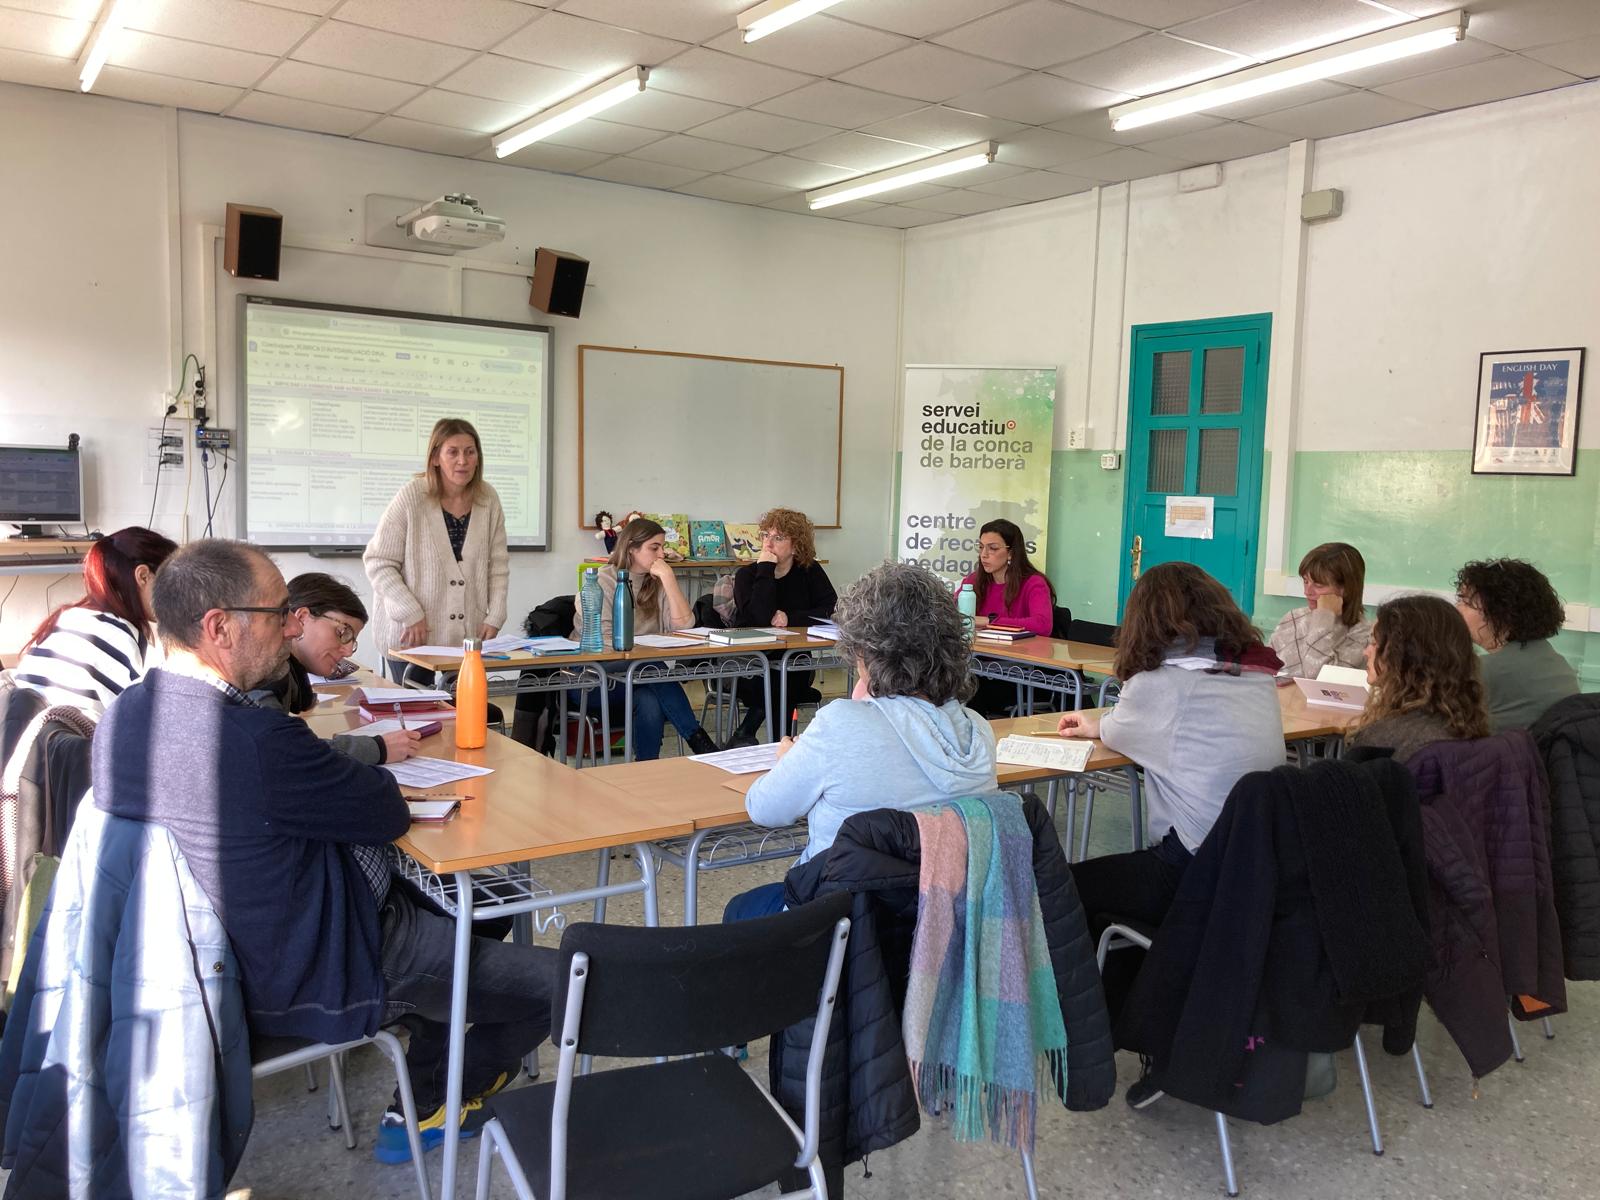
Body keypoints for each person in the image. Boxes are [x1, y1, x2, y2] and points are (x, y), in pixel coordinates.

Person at [94, 539, 555, 1163]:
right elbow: (384, 809)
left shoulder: (126, 716)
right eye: (278, 614)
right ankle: (435, 1105)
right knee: (560, 985)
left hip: (212, 965)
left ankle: (426, 1066)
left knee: (468, 913)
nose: (290, 629)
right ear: (219, 627)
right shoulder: (254, 740)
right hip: (331, 960)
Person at [1058, 561, 1284, 1086]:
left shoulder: (1161, 685)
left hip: (1191, 873)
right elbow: (1130, 727)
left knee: (1063, 884)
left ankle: (1094, 1029)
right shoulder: (1255, 678)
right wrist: (1105, 723)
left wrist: (1098, 723)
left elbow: (1129, 725)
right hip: (1256, 873)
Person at [726, 561, 998, 921]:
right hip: (939, 923)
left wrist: (787, 761)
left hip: (839, 920)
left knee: (739, 909)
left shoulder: (841, 724)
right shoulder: (978, 729)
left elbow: (764, 809)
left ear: (865, 650)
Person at [364, 418, 509, 683]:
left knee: (461, 717)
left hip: (464, 641)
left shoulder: (488, 499)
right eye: (453, 452)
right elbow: (378, 562)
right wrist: (410, 612)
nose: (462, 461)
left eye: (470, 451)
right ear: (435, 458)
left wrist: (496, 614)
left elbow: (498, 566)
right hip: (412, 638)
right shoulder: (412, 496)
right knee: (419, 721)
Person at [573, 517, 717, 759]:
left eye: (662, 547)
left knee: (649, 700)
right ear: (631, 548)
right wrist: (643, 653)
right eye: (654, 547)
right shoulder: (602, 582)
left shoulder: (656, 583)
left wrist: (669, 579)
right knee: (651, 665)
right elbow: (604, 640)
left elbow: (686, 625)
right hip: (593, 679)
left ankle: (645, 769)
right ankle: (700, 742)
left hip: (642, 678)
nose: (661, 554)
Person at [250, 572, 422, 767]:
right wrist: (379, 748)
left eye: (352, 640)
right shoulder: (264, 673)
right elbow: (288, 750)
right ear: (302, 618)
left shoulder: (287, 674)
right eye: (343, 632)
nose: (348, 651)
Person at [13, 526, 177, 718]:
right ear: (143, 576)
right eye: (174, 582)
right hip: (67, 743)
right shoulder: (119, 636)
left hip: (23, 741)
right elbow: (140, 727)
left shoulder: (67, 618)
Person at [723, 507, 837, 748]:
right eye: (765, 535)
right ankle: (780, 747)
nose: (768, 543)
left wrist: (790, 618)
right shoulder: (747, 575)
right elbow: (758, 619)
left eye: (778, 537)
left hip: (796, 662)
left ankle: (748, 732)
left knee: (785, 676)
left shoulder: (809, 571)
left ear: (796, 546)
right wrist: (765, 570)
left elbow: (831, 609)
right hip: (750, 665)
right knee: (778, 682)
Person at [1346, 594, 1489, 763]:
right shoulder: (1467, 728)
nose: (1366, 651)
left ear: (1406, 657)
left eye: (1375, 643)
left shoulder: (1381, 740)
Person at [1454, 558, 1578, 731]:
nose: (1456, 610)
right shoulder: (1553, 659)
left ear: (1501, 613)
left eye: (1465, 602)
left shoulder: (1486, 670)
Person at [960, 518, 1057, 716]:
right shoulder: (974, 580)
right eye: (980, 547)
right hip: (981, 665)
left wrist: (989, 621)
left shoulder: (1033, 583)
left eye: (993, 548)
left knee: (964, 687)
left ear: (1011, 552)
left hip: (1018, 673)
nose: (984, 555)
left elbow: (1043, 624)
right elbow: (950, 611)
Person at [1268, 542, 1372, 679]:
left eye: (1318, 585)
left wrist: (1323, 617)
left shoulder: (1363, 635)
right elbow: (1264, 669)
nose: (1307, 592)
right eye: (1305, 581)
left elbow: (1318, 678)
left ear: (1346, 589)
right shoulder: (1293, 618)